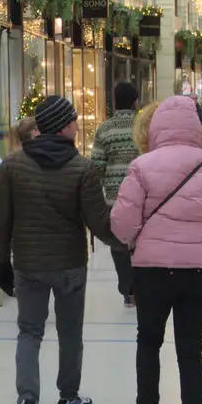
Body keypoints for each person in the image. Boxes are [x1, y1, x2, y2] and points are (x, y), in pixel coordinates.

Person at [111, 96, 202, 404]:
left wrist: (139, 237)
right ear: (196, 129)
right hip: (198, 273)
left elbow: (121, 224)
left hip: (153, 271)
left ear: (156, 128)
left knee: (149, 341)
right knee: (191, 349)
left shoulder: (142, 166)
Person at [0, 94, 118, 404]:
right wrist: (130, 243)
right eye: (74, 120)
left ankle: (27, 399)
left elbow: (1, 220)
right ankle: (68, 398)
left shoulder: (13, 166)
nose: (78, 125)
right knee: (70, 332)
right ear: (63, 125)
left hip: (28, 264)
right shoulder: (83, 168)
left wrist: (1, 263)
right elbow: (99, 223)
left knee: (29, 332)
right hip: (70, 266)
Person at [90, 81, 142, 307]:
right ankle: (142, 288)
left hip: (115, 197)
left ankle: (127, 291)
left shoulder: (104, 129)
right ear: (135, 102)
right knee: (143, 242)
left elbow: (96, 167)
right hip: (143, 196)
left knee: (119, 244)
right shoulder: (144, 127)